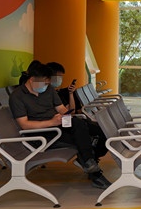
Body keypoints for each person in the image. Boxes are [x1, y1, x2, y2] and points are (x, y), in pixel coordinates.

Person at [9, 61, 112, 189]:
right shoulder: (17, 96)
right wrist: (52, 122)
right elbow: (24, 125)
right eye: (44, 83)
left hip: (58, 124)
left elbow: (61, 109)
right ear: (32, 79)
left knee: (101, 132)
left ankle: (89, 162)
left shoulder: (48, 90)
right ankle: (95, 174)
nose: (46, 86)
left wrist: (65, 115)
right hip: (40, 133)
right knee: (83, 140)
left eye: (48, 83)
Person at [46, 61, 108, 159]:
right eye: (58, 77)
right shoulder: (44, 96)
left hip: (68, 122)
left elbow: (71, 111)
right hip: (60, 126)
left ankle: (92, 158)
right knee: (86, 134)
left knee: (103, 131)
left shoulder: (58, 93)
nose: (60, 80)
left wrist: (71, 94)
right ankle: (89, 159)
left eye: (61, 77)